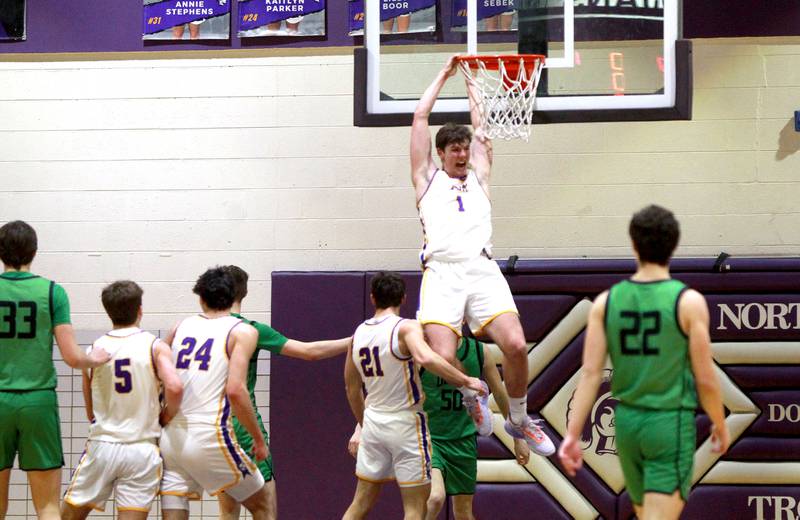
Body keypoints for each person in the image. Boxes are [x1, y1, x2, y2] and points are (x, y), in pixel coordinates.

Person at [410, 55, 554, 455]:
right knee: (443, 355)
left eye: (464, 148)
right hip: (442, 273)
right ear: (441, 153)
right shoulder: (427, 180)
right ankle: (474, 396)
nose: (460, 153)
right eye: (453, 148)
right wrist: (444, 74)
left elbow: (483, 125)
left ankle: (520, 418)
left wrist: (473, 80)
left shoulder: (479, 177)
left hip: (481, 268)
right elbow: (420, 119)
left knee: (517, 346)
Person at [558, 205, 731, 520]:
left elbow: (590, 374)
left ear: (634, 245)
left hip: (627, 425)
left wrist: (571, 434)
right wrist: (719, 423)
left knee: (648, 514)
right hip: (668, 422)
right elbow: (706, 378)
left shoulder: (606, 302)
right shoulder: (688, 302)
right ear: (674, 245)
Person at [342, 272, 485, 520]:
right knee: (415, 509)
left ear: (372, 297)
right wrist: (465, 380)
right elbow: (426, 358)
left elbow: (351, 388)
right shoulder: (406, 328)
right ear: (404, 298)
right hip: (406, 423)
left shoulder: (358, 334)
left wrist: (365, 425)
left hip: (374, 420)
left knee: (359, 504)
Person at [217, 265, 351, 520]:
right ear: (243, 293)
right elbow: (309, 352)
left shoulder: (201, 330)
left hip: (214, 430)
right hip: (243, 429)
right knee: (266, 510)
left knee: (228, 512)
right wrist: (354, 340)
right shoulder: (250, 330)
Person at [0, 220, 110, 520]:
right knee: (47, 506)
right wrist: (95, 358)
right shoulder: (52, 292)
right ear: (34, 252)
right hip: (38, 401)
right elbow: (73, 358)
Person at [61, 281, 183, 520]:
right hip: (142, 449)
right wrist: (166, 415)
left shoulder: (93, 350)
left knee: (66, 517)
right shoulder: (155, 347)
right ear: (140, 310)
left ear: (108, 312)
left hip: (102, 446)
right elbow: (175, 386)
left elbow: (90, 413)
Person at [159, 267, 269, 520]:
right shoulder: (243, 331)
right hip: (210, 437)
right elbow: (236, 390)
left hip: (172, 437)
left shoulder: (180, 326)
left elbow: (155, 369)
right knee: (263, 505)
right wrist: (258, 439)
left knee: (176, 511)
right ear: (234, 298)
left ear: (201, 298)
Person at [421, 335, 530, 520]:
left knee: (463, 512)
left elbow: (502, 395)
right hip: (430, 439)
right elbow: (391, 388)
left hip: (464, 441)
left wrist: (518, 438)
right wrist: (361, 426)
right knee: (435, 498)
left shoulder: (480, 352)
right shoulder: (423, 351)